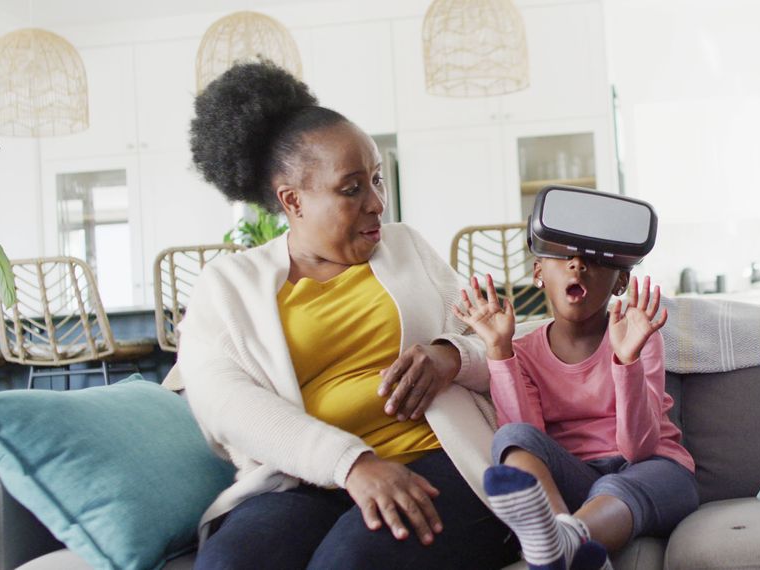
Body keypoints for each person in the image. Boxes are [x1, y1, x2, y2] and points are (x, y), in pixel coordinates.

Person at [168, 61, 518, 570]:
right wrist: (351, 463)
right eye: (352, 188)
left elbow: (495, 348)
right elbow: (225, 406)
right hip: (306, 480)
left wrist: (449, 356)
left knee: (348, 563)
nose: (377, 203)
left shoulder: (407, 250)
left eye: (377, 180)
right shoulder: (228, 287)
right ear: (293, 201)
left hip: (436, 458)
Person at [453, 254, 699, 570]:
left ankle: (565, 542)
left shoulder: (638, 336)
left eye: (593, 259)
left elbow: (641, 448)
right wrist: (500, 351)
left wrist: (627, 361)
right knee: (511, 437)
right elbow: (528, 441)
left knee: (627, 484)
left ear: (620, 282)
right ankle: (564, 542)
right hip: (575, 481)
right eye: (562, 256)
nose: (577, 265)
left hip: (653, 470)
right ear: (538, 273)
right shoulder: (525, 352)